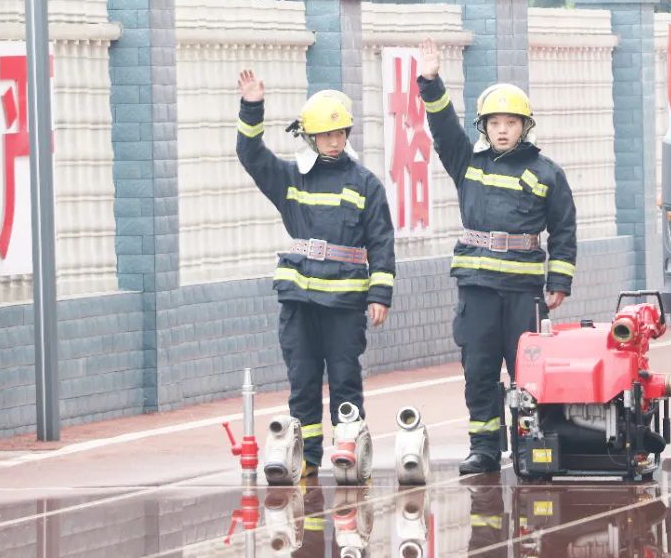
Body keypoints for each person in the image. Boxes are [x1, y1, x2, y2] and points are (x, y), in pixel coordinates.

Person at [416, 37, 577, 474]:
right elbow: (443, 127)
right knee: (479, 371)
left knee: (529, 373)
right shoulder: (467, 162)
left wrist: (559, 281)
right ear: (483, 127)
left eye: (511, 122)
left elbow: (564, 229)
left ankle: (529, 446)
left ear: (525, 126)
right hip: (478, 289)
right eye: (494, 122)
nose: (502, 129)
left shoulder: (547, 173)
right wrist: (430, 81)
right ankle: (484, 448)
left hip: (524, 292)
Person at [236, 70, 395, 476]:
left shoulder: (365, 184)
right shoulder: (290, 179)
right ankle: (306, 457)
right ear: (310, 136)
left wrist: (380, 295)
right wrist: (252, 107)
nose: (334, 141)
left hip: (344, 303)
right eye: (326, 135)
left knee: (344, 378)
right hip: (299, 301)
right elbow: (251, 155)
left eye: (340, 133)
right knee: (302, 380)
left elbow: (381, 241)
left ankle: (348, 451)